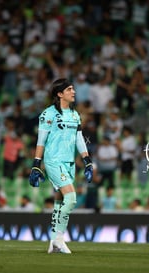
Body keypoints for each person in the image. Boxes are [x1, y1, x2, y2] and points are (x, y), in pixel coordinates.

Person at [29, 78, 93, 254]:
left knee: (59, 200)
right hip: (53, 161)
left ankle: (53, 241)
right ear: (60, 94)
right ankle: (59, 238)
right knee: (71, 198)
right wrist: (36, 164)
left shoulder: (74, 114)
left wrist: (87, 160)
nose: (73, 92)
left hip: (69, 163)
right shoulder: (48, 114)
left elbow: (79, 139)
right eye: (69, 89)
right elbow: (40, 141)